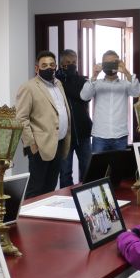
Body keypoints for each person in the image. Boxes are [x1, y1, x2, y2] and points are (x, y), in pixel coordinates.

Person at [15, 50, 72, 198]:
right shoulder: (29, 87)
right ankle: (29, 219)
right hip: (39, 146)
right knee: (36, 188)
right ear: (36, 68)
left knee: (50, 187)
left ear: (56, 66)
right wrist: (31, 144)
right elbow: (21, 118)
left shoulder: (58, 84)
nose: (49, 68)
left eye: (52, 65)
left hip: (58, 143)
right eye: (44, 65)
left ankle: (46, 217)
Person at [80, 49, 140, 153]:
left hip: (120, 135)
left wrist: (126, 72)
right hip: (99, 135)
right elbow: (84, 96)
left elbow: (137, 93)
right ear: (102, 64)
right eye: (106, 63)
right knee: (98, 168)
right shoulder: (96, 83)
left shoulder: (125, 84)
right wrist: (94, 75)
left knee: (119, 168)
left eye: (113, 63)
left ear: (118, 64)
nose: (109, 65)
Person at [56, 49, 92, 186]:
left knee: (87, 169)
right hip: (65, 134)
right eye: (67, 62)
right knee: (65, 172)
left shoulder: (82, 80)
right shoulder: (55, 82)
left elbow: (84, 98)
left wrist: (69, 87)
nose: (71, 65)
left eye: (74, 62)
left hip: (83, 132)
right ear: (61, 64)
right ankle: (66, 200)